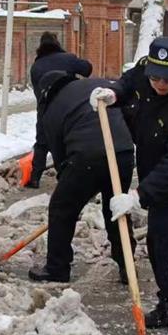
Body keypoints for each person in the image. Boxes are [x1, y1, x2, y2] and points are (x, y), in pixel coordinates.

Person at [91, 38, 168, 335]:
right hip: (155, 174)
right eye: (155, 77)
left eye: (167, 79)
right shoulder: (150, 70)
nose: (159, 83)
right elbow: (132, 79)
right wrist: (114, 92)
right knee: (159, 250)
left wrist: (137, 197)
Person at [25, 70, 136, 284]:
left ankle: (57, 268)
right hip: (122, 151)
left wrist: (75, 188)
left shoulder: (51, 109)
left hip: (86, 156)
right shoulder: (99, 85)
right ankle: (127, 266)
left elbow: (60, 158)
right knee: (117, 208)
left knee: (61, 208)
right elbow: (128, 113)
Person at [29, 32, 92, 100]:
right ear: (57, 44)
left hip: (47, 108)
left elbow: (38, 94)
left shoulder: (35, 67)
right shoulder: (69, 59)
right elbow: (87, 69)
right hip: (70, 103)